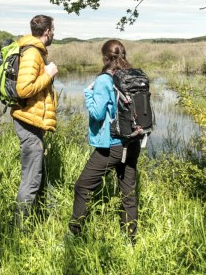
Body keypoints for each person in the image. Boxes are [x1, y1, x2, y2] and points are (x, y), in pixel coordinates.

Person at [68, 39, 141, 244]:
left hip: (112, 146)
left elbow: (98, 114)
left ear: (105, 57)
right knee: (128, 191)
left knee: (82, 186)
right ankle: (130, 241)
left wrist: (88, 95)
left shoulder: (104, 80)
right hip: (132, 144)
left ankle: (73, 235)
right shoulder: (133, 76)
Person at [12, 14, 58, 226]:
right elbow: (23, 89)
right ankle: (19, 230)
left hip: (33, 121)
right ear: (47, 31)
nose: (54, 33)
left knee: (36, 172)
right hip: (28, 122)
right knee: (31, 177)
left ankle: (38, 218)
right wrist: (48, 75)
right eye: (53, 29)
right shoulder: (32, 53)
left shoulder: (35, 51)